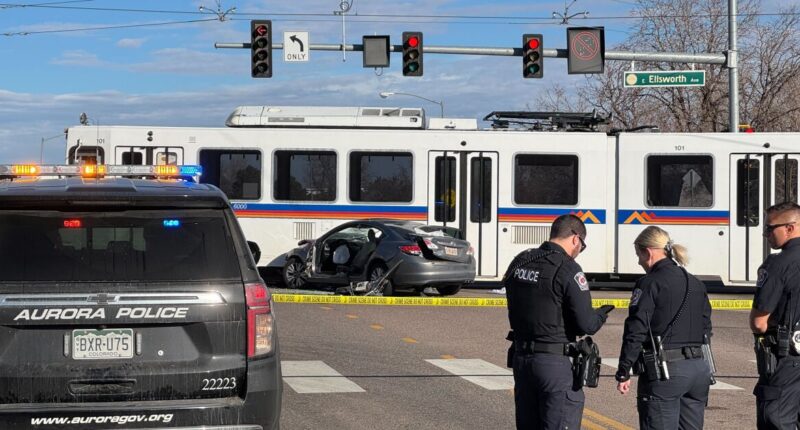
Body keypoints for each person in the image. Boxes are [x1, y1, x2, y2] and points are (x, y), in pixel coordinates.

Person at [504, 214, 614, 429]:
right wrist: (601, 313)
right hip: (554, 363)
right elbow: (587, 325)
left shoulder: (521, 260)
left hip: (522, 360)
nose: (579, 251)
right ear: (575, 238)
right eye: (582, 245)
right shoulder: (568, 268)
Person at [615, 226, 713, 430]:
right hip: (698, 370)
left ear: (648, 252)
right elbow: (706, 328)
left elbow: (636, 328)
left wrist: (624, 369)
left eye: (638, 255)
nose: (639, 261)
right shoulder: (695, 283)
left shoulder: (649, 283)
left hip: (666, 373)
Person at [750, 202, 800, 430]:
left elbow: (759, 323)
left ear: (790, 227)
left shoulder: (778, 264)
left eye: (770, 229)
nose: (765, 234)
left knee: (777, 419)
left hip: (786, 359)